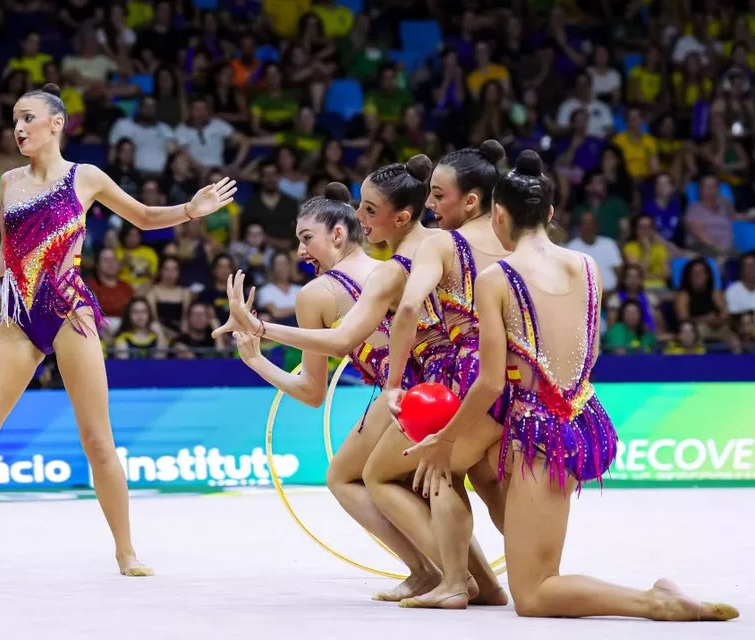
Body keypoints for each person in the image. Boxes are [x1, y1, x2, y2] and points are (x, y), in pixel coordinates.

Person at [0, 83, 236, 576]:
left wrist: (191, 210)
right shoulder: (8, 182)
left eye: (28, 118)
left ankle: (126, 551)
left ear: (56, 123)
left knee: (98, 440)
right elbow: (8, 255)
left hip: (69, 311)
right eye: (14, 120)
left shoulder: (84, 177)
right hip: (18, 317)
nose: (19, 128)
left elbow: (145, 217)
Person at [404, 150, 738, 621]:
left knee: (535, 594)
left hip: (539, 433)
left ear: (498, 214)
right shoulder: (587, 266)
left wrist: (446, 438)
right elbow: (591, 353)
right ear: (552, 214)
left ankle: (655, 602)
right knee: (541, 573)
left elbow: (489, 383)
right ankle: (656, 595)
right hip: (582, 422)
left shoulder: (496, 278)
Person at [215, 157, 498, 601]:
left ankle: (445, 576)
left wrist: (257, 346)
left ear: (339, 233)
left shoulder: (319, 292)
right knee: (436, 482)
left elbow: (312, 392)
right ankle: (470, 580)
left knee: (349, 477)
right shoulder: (400, 259)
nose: (301, 252)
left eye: (307, 239)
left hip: (409, 391)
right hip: (450, 380)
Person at [365, 140, 512, 609]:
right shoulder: (514, 242)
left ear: (471, 200)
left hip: (466, 377)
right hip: (517, 379)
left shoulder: (445, 244)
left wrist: (392, 387)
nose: (430, 205)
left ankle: (452, 582)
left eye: (437, 195)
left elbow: (408, 307)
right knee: (470, 475)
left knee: (385, 474)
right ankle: (512, 572)